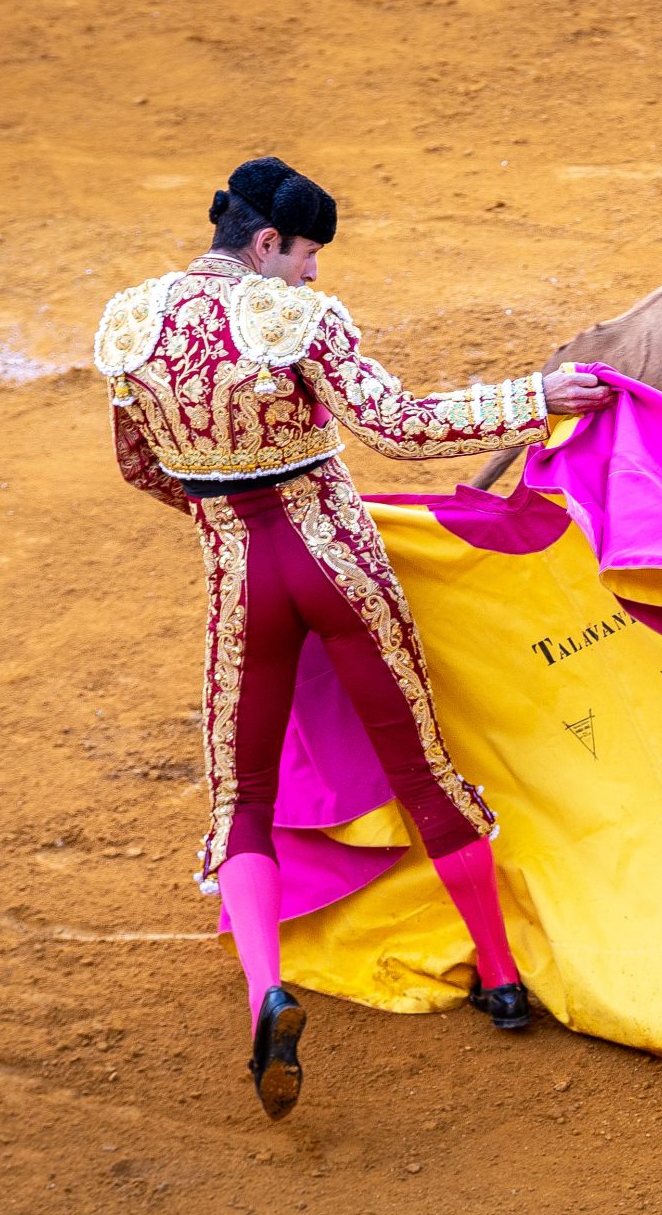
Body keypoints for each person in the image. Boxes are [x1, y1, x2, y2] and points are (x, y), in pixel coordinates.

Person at [95, 156, 611, 1119]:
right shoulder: (296, 320)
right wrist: (536, 397)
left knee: (241, 795)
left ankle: (268, 994)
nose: (313, 275)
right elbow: (401, 427)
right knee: (422, 767)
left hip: (241, 578)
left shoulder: (133, 324)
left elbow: (137, 465)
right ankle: (500, 981)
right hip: (339, 563)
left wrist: (217, 505)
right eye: (305, 255)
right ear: (264, 244)